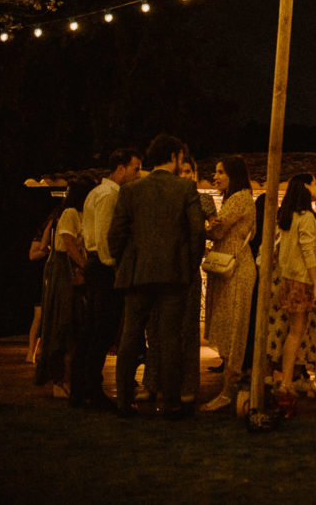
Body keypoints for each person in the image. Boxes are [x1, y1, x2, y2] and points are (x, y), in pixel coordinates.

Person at [108, 134, 205, 418]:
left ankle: (124, 400)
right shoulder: (185, 188)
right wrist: (189, 264)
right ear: (175, 156)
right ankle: (172, 401)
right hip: (173, 274)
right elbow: (197, 232)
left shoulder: (131, 191)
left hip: (138, 273)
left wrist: (124, 262)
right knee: (170, 337)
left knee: (130, 336)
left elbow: (116, 234)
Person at [70, 148, 142, 410]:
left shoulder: (97, 193)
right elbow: (103, 237)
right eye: (135, 168)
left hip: (95, 264)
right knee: (102, 330)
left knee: (91, 329)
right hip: (103, 267)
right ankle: (91, 388)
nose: (137, 174)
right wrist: (113, 266)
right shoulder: (109, 195)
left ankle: (80, 389)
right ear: (120, 169)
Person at [272, 174, 316, 401]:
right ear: (305, 187)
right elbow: (308, 252)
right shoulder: (307, 217)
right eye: (314, 183)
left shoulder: (287, 216)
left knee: (295, 331)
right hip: (307, 279)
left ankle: (285, 382)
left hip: (290, 280)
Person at [201, 156, 257, 411]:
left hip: (235, 268)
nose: (215, 176)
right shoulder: (237, 198)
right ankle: (230, 385)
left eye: (220, 172)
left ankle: (227, 390)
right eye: (215, 171)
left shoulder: (239, 198)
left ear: (233, 174)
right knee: (228, 325)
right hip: (229, 268)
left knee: (233, 327)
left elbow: (217, 230)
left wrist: (206, 216)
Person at [35, 180, 91, 400]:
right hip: (64, 272)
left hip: (71, 271)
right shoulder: (69, 213)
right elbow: (68, 244)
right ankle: (61, 379)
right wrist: (84, 266)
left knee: (73, 326)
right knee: (64, 323)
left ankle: (68, 379)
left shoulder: (78, 214)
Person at [28, 203, 63, 363]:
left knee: (47, 316)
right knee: (40, 316)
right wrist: (48, 249)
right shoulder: (46, 229)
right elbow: (34, 253)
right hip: (43, 277)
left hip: (53, 276)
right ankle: (31, 353)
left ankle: (42, 352)